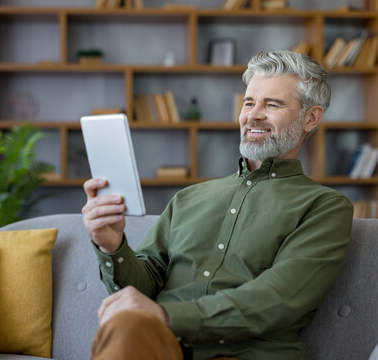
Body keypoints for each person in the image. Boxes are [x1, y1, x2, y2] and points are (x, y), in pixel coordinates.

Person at [82, 50, 353, 360]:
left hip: (245, 354)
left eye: (272, 104)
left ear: (311, 118)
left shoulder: (325, 208)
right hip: (163, 349)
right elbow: (140, 292)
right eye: (249, 102)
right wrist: (112, 246)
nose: (254, 114)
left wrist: (166, 317)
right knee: (127, 325)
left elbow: (278, 299)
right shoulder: (188, 198)